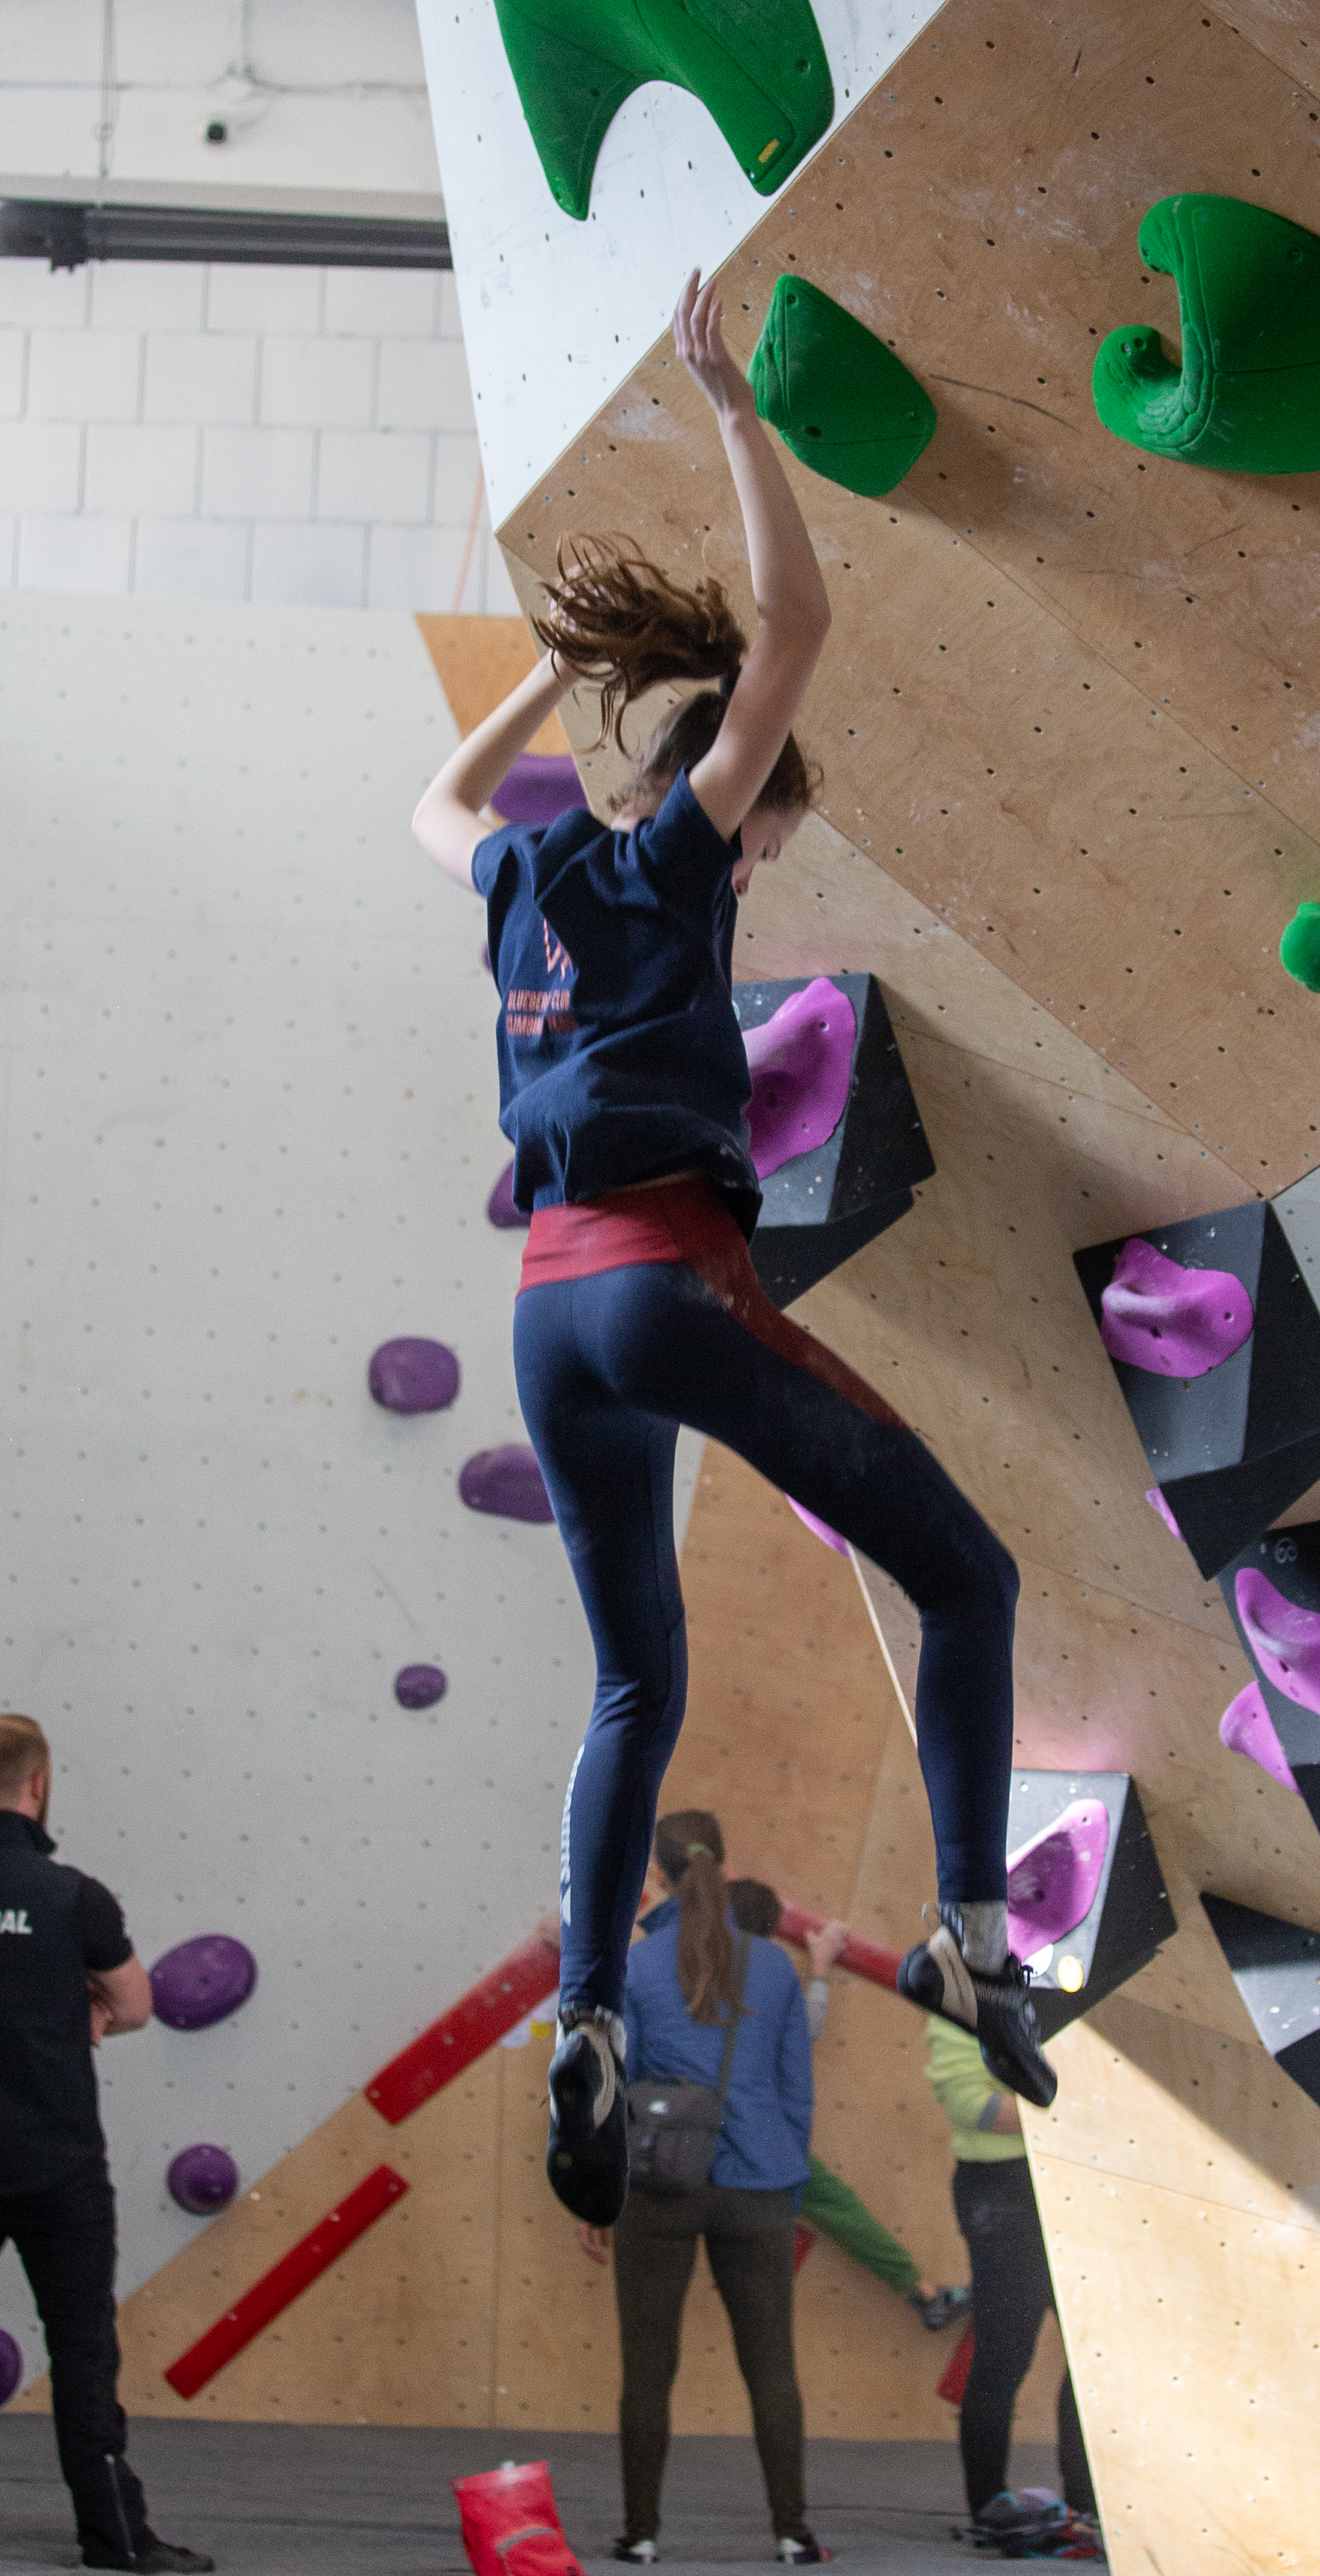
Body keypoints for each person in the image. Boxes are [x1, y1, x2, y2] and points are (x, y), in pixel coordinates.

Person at [410, 266, 1053, 2234]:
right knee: (968, 1572)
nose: (758, 873)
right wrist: (732, 411)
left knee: (633, 1691)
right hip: (664, 1289)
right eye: (769, 841)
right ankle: (969, 1935)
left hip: (542, 1322)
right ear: (738, 804)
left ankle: (584, 2018)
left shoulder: (519, 870)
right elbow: (799, 629)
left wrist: (536, 672)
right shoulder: (673, 854)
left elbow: (431, 803)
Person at [0, 1712, 210, 2576]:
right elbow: (138, 2005)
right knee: (82, 2352)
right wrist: (83, 2004)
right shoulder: (74, 1898)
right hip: (56, 2170)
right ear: (39, 1786)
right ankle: (114, 2535)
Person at [584, 1837, 824, 2566]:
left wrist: (598, 2193)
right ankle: (791, 2533)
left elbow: (607, 2081)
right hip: (758, 2188)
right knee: (773, 2367)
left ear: (659, 1877)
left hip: (660, 2186)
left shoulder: (635, 1965)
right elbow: (797, 2093)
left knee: (649, 2370)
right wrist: (789, 2182)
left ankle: (643, 2532)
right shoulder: (777, 1966)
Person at [725, 1873, 968, 2333]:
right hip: (749, 2129)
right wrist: (820, 1968)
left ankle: (926, 2294)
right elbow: (803, 2031)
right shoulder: (754, 1974)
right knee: (835, 2206)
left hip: (691, 2130)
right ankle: (924, 2294)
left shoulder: (683, 1964)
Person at [923, 2015, 1100, 2558]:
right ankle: (989, 2507)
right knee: (1004, 2354)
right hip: (1001, 2189)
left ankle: (1088, 2505)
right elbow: (974, 2107)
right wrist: (1073, 2110)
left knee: (1092, 2359)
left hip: (1069, 2178)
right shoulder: (958, 1991)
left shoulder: (1055, 1985)